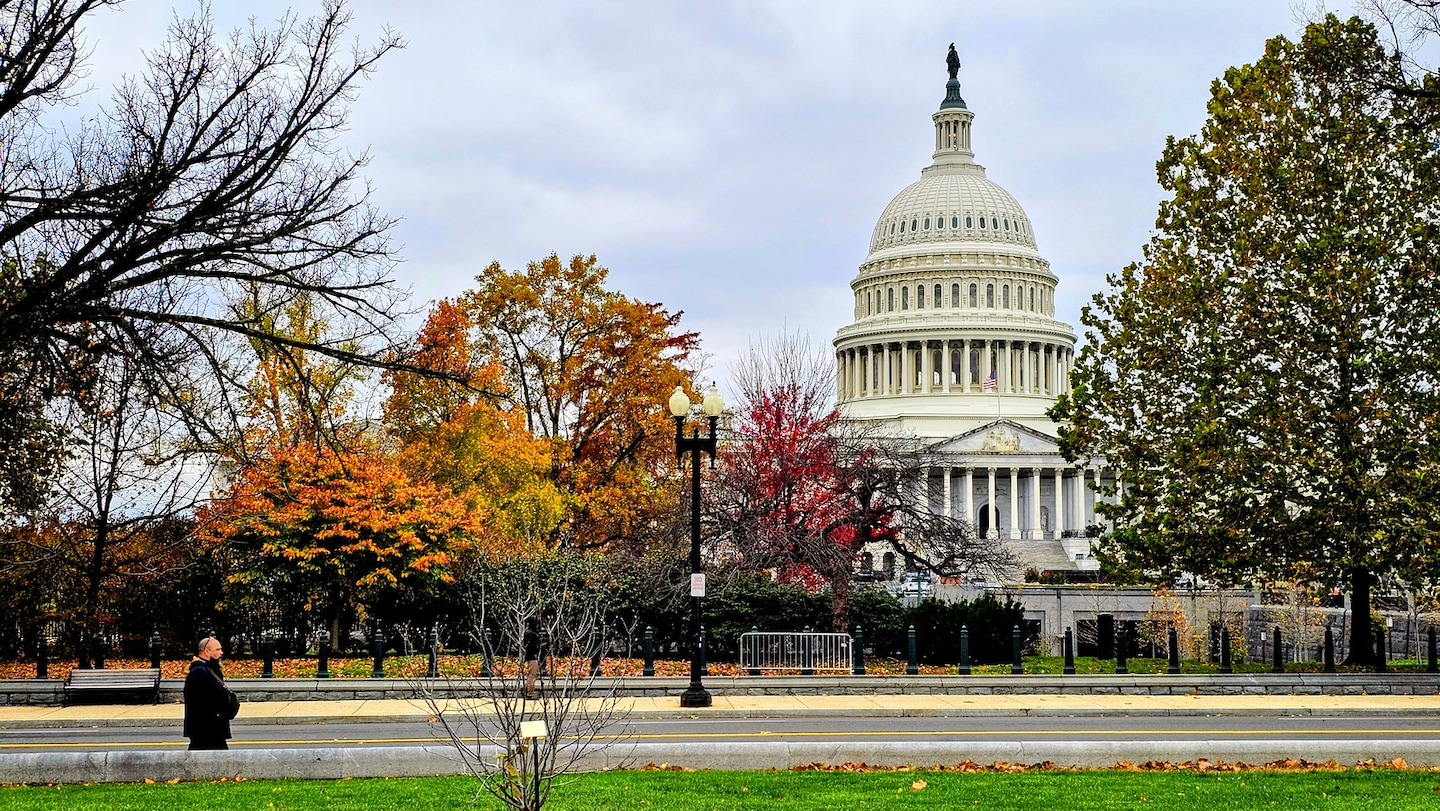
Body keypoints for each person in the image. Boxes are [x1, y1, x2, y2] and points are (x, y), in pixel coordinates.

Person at [183, 636, 236, 750]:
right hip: (206, 731)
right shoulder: (200, 672)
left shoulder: (209, 670)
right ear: (207, 651)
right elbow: (208, 701)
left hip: (212, 730)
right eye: (217, 650)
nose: (221, 653)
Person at [522, 619, 540, 700]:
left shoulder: (526, 633)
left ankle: (526, 691)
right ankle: (530, 693)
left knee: (528, 675)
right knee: (532, 676)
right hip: (532, 657)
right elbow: (534, 646)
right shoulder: (534, 635)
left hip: (527, 657)